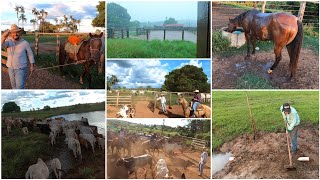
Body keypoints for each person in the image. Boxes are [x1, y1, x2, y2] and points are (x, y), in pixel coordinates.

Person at [1, 24, 35, 89]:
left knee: (19, 87)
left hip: (20, 69)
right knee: (13, 86)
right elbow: (1, 44)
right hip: (10, 68)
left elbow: (30, 54)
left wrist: (32, 66)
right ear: (11, 33)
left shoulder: (25, 43)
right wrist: (4, 37)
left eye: (17, 32)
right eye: (13, 32)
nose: (15, 34)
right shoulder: (8, 41)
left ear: (19, 33)